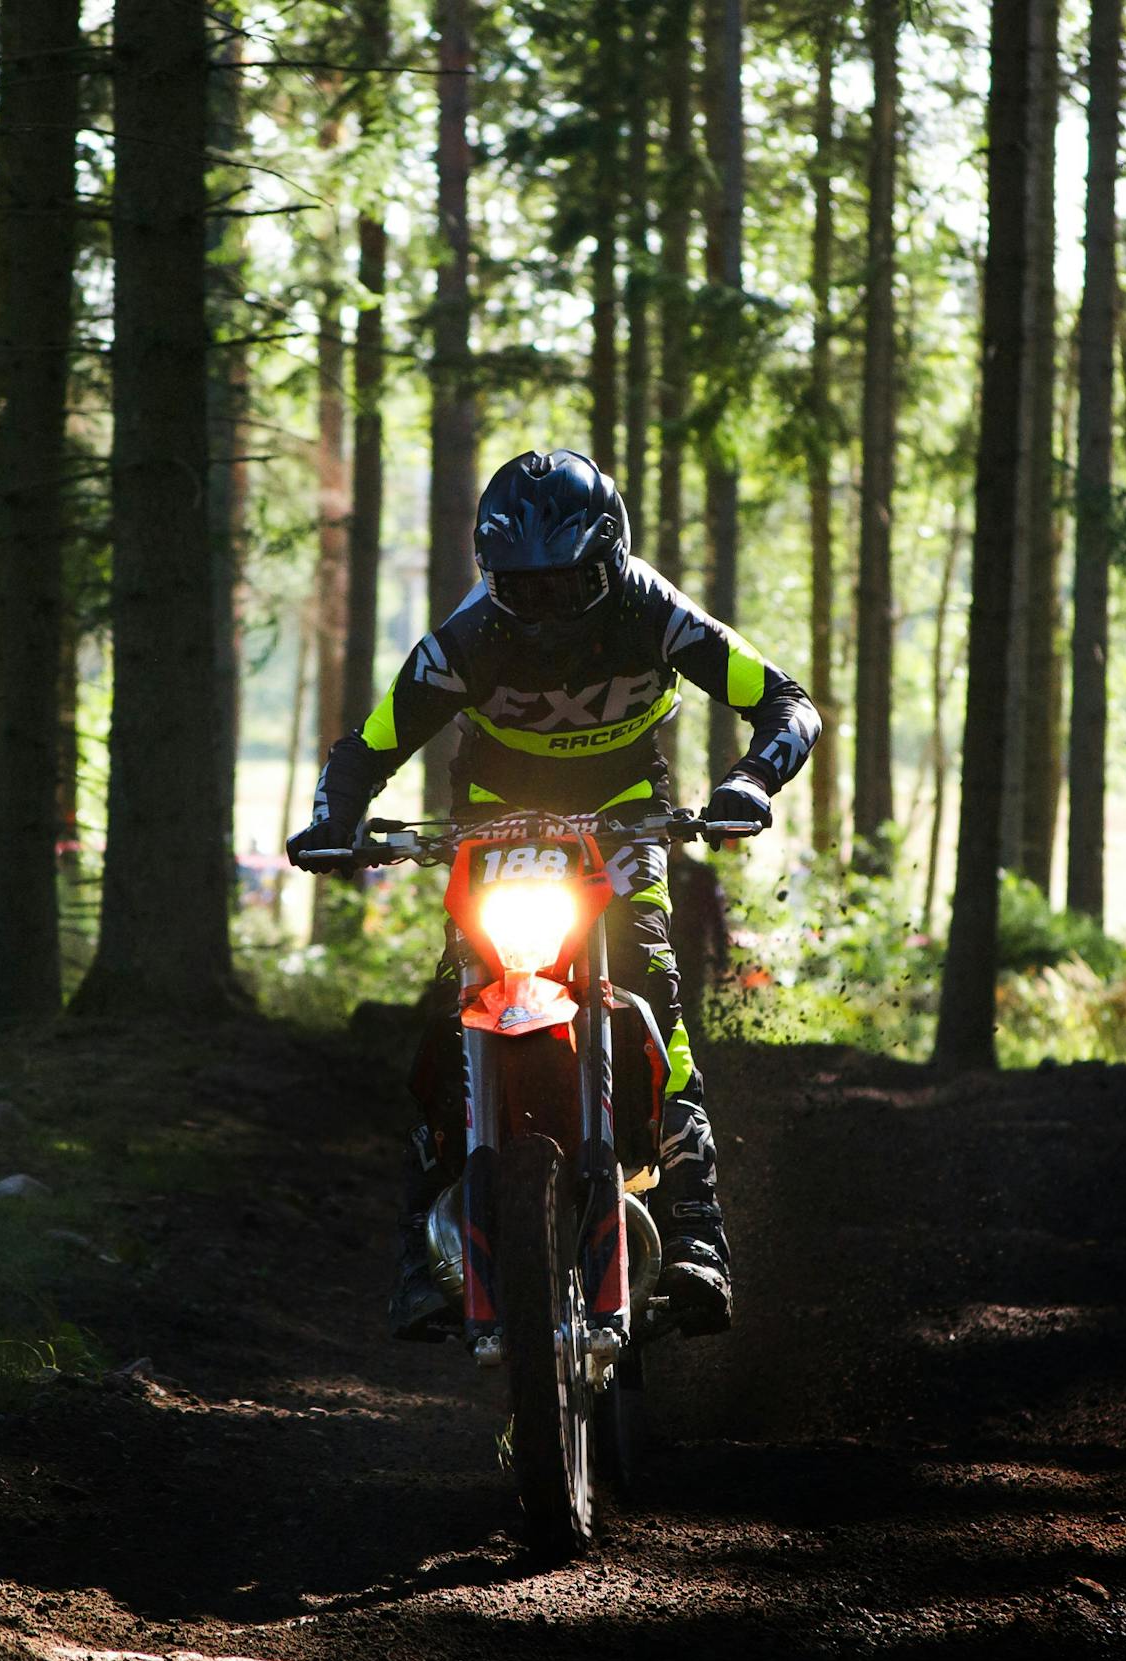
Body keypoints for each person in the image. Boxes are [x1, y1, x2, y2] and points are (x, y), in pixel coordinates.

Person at [289, 449, 820, 1340]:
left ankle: (697, 1234)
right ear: (489, 575)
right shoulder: (462, 640)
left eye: (564, 587)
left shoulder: (656, 614)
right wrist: (332, 822)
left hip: (622, 813)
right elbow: (367, 747)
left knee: (653, 993)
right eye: (520, 589)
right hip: (497, 817)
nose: (541, 611)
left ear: (608, 562)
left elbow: (785, 703)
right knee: (449, 1014)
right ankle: (418, 1260)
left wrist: (749, 787)